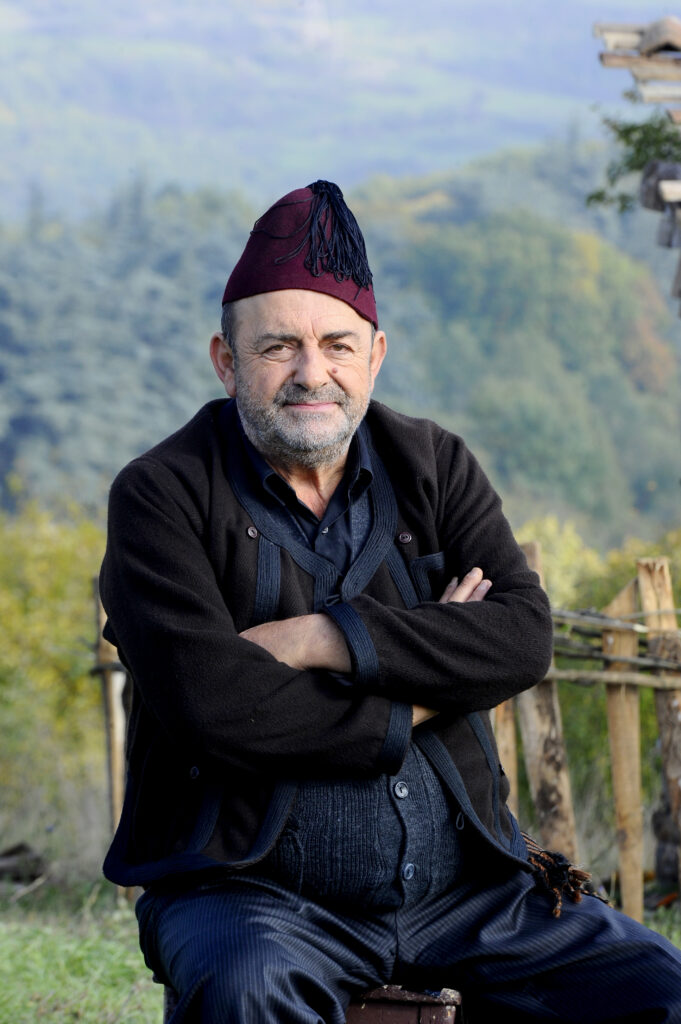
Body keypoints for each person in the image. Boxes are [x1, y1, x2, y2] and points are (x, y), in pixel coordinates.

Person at [100, 180, 681, 1023]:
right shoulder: (160, 495)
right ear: (226, 361)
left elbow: (521, 639)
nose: (312, 373)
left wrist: (320, 639)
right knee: (245, 989)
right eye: (277, 348)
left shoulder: (432, 463)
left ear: (374, 355)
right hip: (249, 897)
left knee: (657, 989)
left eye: (336, 345)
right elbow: (215, 705)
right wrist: (431, 680)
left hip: (470, 894)